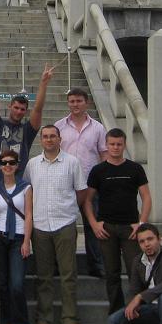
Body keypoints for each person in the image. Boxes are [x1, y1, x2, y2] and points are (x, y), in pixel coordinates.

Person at [23, 124, 87, 324]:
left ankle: (70, 318)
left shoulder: (72, 162)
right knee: (43, 276)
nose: (49, 139)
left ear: (60, 139)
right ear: (41, 140)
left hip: (64, 224)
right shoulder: (33, 164)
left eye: (53, 136)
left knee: (68, 275)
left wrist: (69, 211)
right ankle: (44, 318)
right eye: (45, 136)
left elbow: (81, 192)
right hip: (40, 226)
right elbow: (27, 192)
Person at [84, 127, 152, 314]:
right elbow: (88, 201)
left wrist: (141, 223)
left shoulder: (135, 168)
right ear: (106, 145)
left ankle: (137, 311)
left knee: (135, 271)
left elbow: (146, 197)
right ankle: (116, 313)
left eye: (119, 144)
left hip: (130, 228)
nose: (115, 147)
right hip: (107, 228)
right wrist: (93, 223)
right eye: (112, 144)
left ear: (124, 145)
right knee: (111, 273)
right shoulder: (98, 170)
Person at [55, 87, 107, 278]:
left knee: (93, 225)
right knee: (62, 227)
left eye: (79, 101)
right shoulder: (59, 126)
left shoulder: (98, 128)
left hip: (90, 184)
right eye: (72, 101)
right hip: (65, 184)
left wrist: (104, 179)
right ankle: (60, 264)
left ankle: (97, 264)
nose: (75, 104)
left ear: (87, 103)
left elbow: (103, 153)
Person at [0, 149, 34, 324]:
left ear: (17, 165)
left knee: (17, 283)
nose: (8, 166)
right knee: (3, 282)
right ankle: (6, 319)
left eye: (11, 162)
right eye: (4, 163)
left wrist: (27, 241)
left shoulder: (26, 187)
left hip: (18, 237)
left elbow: (28, 215)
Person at [0, 59, 54, 183]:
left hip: (20, 180)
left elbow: (38, 109)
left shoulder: (28, 130)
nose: (19, 111)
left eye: (22, 109)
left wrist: (43, 83)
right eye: (16, 107)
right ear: (9, 106)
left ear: (26, 111)